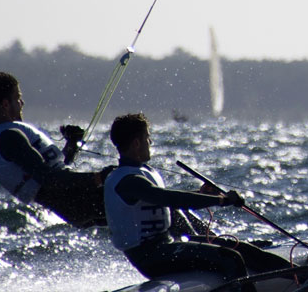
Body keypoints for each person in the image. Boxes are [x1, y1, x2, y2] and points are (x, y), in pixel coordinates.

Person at [104, 112, 293, 289]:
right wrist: (220, 200)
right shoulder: (127, 180)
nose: (150, 141)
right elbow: (168, 198)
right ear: (137, 143)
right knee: (230, 258)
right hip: (151, 257)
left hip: (168, 245)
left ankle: (305, 277)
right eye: (147, 137)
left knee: (239, 247)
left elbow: (159, 199)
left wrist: (204, 194)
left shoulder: (141, 172)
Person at [0, 71, 108, 228]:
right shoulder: (8, 137)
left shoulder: (7, 136)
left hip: (77, 204)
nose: (22, 103)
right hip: (82, 200)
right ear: (5, 104)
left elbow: (52, 170)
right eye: (18, 98)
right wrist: (99, 177)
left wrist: (71, 145)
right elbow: (48, 178)